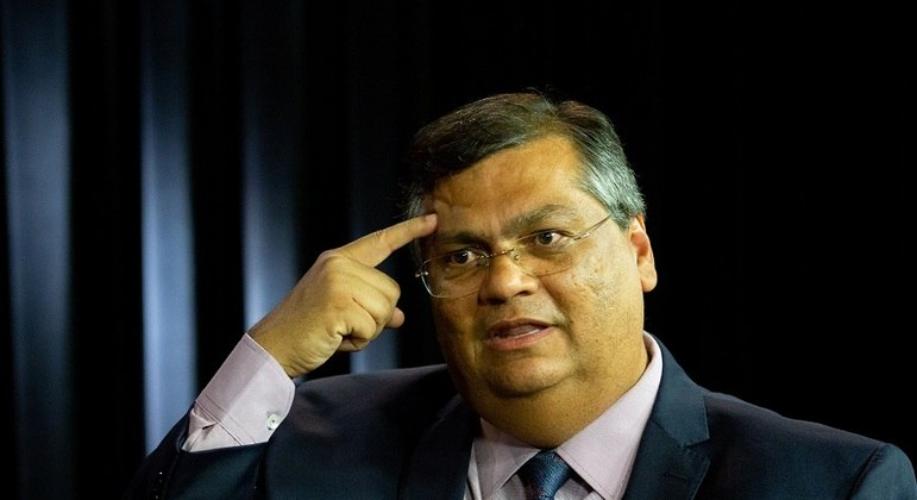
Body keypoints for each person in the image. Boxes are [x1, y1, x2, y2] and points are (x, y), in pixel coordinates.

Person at [128, 92, 916, 499]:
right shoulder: (313, 439)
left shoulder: (824, 482)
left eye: (546, 238)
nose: (504, 282)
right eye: (463, 255)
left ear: (638, 251)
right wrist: (267, 355)